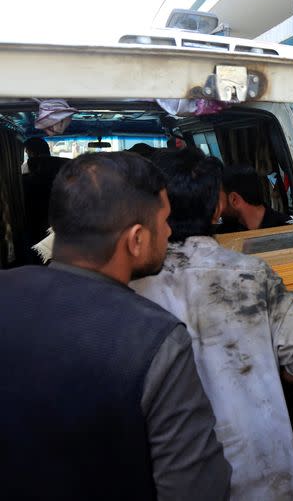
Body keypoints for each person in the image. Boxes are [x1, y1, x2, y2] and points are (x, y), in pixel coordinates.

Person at [0, 152, 231, 500]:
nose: (169, 231)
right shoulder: (156, 341)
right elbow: (196, 490)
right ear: (135, 240)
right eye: (165, 221)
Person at [131, 148, 293, 499]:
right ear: (217, 210)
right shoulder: (251, 276)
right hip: (266, 478)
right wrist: (277, 370)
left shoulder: (128, 288)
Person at [218, 163, 293, 233]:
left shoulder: (291, 228)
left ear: (234, 200)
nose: (216, 204)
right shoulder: (222, 231)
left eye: (218, 198)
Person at [21, 136, 67, 244]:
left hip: (35, 213)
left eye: (27, 152)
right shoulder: (65, 163)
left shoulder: (28, 166)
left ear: (31, 152)